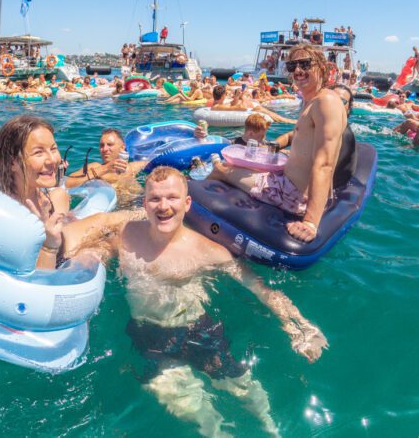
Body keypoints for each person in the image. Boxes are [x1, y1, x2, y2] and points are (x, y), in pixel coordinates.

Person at [73, 167, 327, 436]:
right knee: (200, 415)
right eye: (155, 199)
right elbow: (97, 248)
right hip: (151, 337)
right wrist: (82, 259)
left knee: (245, 389)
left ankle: (273, 430)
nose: (163, 206)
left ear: (187, 203)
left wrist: (300, 327)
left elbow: (261, 289)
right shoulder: (126, 235)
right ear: (145, 204)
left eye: (172, 198)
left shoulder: (209, 251)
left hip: (201, 331)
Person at [210, 44, 347, 242]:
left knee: (220, 169)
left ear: (322, 67)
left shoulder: (326, 102)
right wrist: (276, 145)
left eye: (305, 64)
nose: (298, 71)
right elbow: (299, 134)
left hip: (293, 196)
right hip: (287, 184)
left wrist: (310, 222)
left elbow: (324, 163)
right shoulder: (312, 101)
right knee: (234, 164)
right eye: (292, 66)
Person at [0, 115, 135, 270]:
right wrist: (49, 246)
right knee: (110, 238)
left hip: (57, 234)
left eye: (53, 149)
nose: (53, 160)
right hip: (53, 253)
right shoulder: (6, 210)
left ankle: (145, 213)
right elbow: (38, 281)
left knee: (64, 198)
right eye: (39, 152)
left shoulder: (30, 188)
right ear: (11, 162)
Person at [66, 128, 146, 188]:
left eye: (110, 145)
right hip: (117, 208)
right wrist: (105, 168)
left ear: (122, 148)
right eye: (101, 145)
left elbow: (155, 163)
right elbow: (67, 183)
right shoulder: (95, 167)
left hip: (140, 203)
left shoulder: (132, 167)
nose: (104, 149)